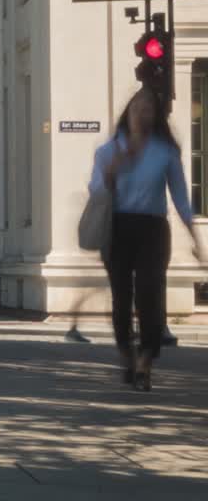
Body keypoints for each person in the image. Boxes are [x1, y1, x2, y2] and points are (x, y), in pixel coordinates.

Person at [88, 88, 201, 391]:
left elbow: (179, 196)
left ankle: (145, 362)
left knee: (151, 295)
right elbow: (97, 191)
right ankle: (126, 354)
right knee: (122, 298)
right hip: (118, 227)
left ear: (157, 117)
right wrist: (121, 160)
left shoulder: (165, 152)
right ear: (128, 112)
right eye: (137, 107)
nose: (142, 112)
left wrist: (195, 236)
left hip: (153, 229)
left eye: (149, 108)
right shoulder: (108, 151)